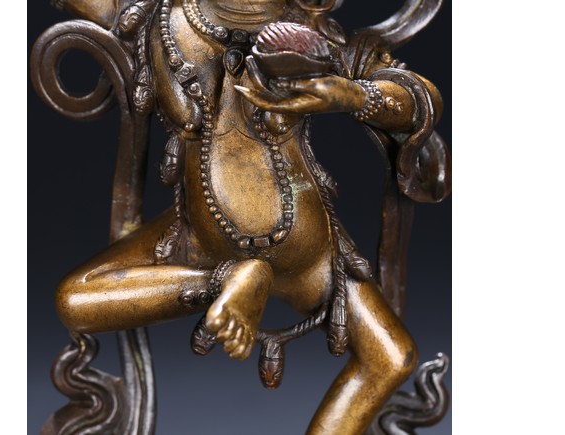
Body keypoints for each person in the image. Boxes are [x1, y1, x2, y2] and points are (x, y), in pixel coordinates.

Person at [49, 0, 446, 433]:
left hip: (294, 245)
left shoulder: (311, 33)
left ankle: (228, 279)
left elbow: (417, 97)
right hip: (205, 233)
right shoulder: (156, 15)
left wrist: (352, 94)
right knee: (390, 357)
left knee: (75, 299)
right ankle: (231, 279)